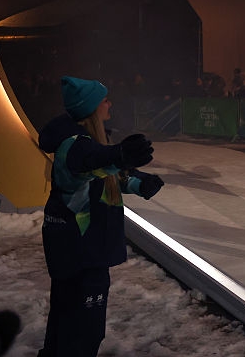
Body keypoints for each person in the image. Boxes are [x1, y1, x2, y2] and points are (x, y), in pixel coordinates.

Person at [37, 76, 163, 357]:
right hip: (80, 250)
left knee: (67, 323)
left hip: (78, 250)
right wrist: (119, 155)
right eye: (105, 99)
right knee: (82, 332)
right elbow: (93, 164)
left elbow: (105, 176)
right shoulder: (76, 146)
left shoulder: (84, 142)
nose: (110, 103)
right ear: (91, 108)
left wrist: (139, 183)